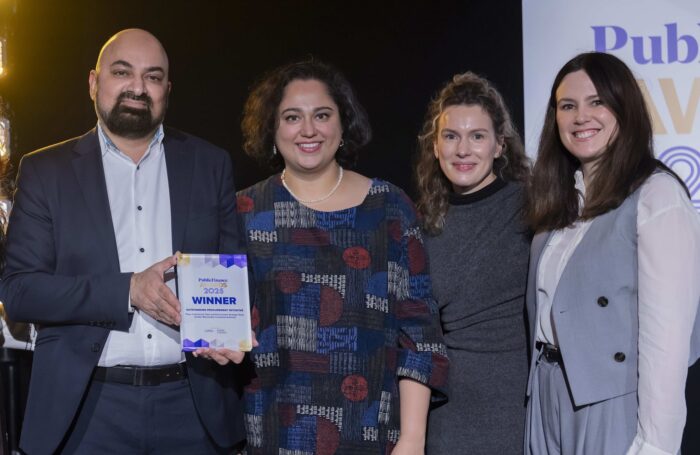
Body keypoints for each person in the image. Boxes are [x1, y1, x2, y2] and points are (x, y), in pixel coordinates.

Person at [0, 29, 251, 454]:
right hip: (84, 412)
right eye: (122, 72)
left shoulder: (210, 164)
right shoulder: (46, 171)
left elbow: (231, 274)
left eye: (153, 77)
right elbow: (20, 291)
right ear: (94, 83)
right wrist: (128, 289)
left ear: (166, 91)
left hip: (194, 409)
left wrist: (232, 329)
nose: (138, 87)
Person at [237, 60, 448, 454]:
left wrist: (413, 440)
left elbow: (419, 334)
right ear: (272, 128)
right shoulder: (245, 211)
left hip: (371, 437)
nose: (308, 130)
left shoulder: (390, 209)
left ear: (343, 122)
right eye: (291, 117)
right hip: (270, 437)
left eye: (322, 115)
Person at [524, 51, 700, 454]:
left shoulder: (658, 197)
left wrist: (655, 445)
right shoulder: (558, 201)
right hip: (547, 394)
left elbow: (666, 344)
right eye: (567, 106)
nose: (580, 116)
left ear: (625, 108)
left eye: (597, 102)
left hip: (611, 400)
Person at [414, 72, 531, 454]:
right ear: (435, 146)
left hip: (520, 409)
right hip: (446, 415)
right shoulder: (422, 223)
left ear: (499, 145)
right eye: (451, 136)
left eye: (477, 136)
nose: (463, 149)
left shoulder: (533, 207)